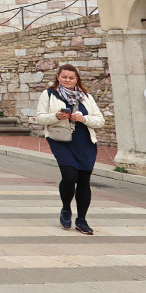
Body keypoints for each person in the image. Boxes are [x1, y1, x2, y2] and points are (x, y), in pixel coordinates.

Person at [34, 64, 105, 235]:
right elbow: (40, 118)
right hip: (61, 139)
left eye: (71, 78)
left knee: (84, 180)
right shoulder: (49, 94)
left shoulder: (86, 96)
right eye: (64, 77)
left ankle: (82, 220)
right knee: (69, 175)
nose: (67, 80)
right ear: (58, 77)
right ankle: (66, 208)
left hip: (84, 141)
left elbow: (100, 120)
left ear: (77, 79)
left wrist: (83, 118)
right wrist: (56, 116)